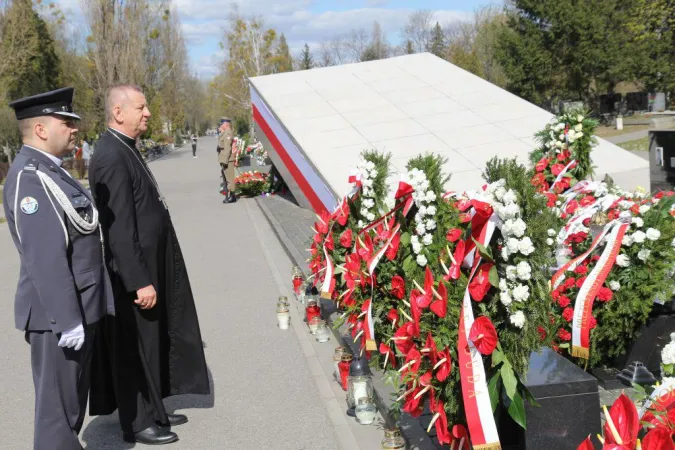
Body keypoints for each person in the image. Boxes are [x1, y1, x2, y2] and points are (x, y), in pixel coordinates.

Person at [87, 85, 209, 445]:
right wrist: (138, 280)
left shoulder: (126, 148)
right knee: (133, 347)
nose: (148, 113)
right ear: (119, 112)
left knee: (154, 338)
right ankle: (136, 421)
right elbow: (120, 229)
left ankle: (154, 405)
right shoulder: (111, 154)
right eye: (141, 107)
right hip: (133, 272)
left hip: (149, 262)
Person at [2, 87, 114, 449]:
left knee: (69, 412)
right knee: (57, 417)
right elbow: (45, 258)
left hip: (79, 307)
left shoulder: (52, 171)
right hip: (58, 318)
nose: (74, 129)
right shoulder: (30, 177)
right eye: (65, 122)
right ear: (40, 130)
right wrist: (67, 320)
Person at [216, 118, 236, 204]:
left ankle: (232, 196)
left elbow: (227, 148)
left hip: (228, 159)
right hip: (225, 158)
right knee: (227, 178)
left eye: (222, 124)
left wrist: (225, 160)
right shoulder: (225, 132)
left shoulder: (228, 132)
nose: (221, 126)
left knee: (230, 179)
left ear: (226, 124)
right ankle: (230, 195)